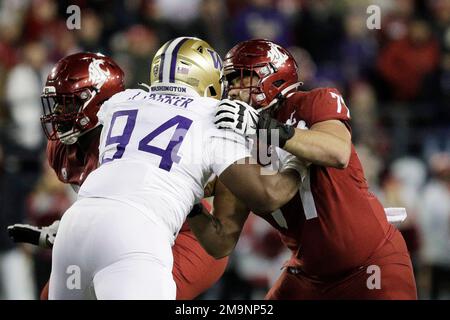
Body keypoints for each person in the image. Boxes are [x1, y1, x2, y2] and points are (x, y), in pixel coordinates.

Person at [43, 37, 301, 299]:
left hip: (74, 225)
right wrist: (297, 163)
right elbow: (268, 195)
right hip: (136, 232)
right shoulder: (217, 114)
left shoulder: (122, 101)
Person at [193, 39, 417, 299]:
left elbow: (337, 152)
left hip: (371, 264)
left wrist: (264, 126)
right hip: (309, 276)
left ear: (272, 76)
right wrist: (192, 205)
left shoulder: (314, 101)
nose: (232, 90)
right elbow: (221, 241)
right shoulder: (236, 143)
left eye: (241, 78)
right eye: (229, 82)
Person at [7, 51, 236, 300]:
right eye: (58, 102)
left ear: (103, 103)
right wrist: (68, 233)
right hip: (123, 230)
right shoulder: (63, 149)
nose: (60, 112)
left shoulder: (129, 133)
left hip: (187, 236)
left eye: (70, 103)